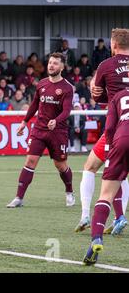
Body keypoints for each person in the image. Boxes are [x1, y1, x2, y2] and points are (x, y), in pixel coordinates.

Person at [75, 28, 129, 234]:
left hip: (118, 126)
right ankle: (118, 216)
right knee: (121, 173)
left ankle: (89, 215)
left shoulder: (106, 65)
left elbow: (97, 97)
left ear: (114, 45)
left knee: (93, 167)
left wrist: (94, 89)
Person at [7, 53, 75, 208]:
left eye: (55, 63)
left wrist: (56, 121)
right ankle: (19, 197)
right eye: (50, 63)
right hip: (39, 129)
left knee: (61, 165)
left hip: (58, 132)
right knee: (30, 161)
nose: (51, 65)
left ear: (62, 67)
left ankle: (69, 192)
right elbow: (34, 105)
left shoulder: (67, 88)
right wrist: (24, 122)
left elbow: (66, 111)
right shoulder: (41, 84)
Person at [83, 88, 129, 265]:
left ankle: (96, 239)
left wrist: (110, 151)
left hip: (122, 139)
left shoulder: (119, 95)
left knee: (106, 195)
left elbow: (109, 128)